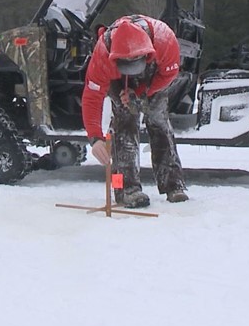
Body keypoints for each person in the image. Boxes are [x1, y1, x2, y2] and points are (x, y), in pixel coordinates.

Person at [81, 15, 189, 208]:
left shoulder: (165, 40)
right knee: (124, 126)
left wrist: (140, 92)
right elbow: (92, 96)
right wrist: (95, 138)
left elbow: (169, 74)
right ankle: (125, 190)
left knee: (159, 122)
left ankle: (174, 185)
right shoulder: (103, 55)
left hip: (154, 79)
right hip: (117, 80)